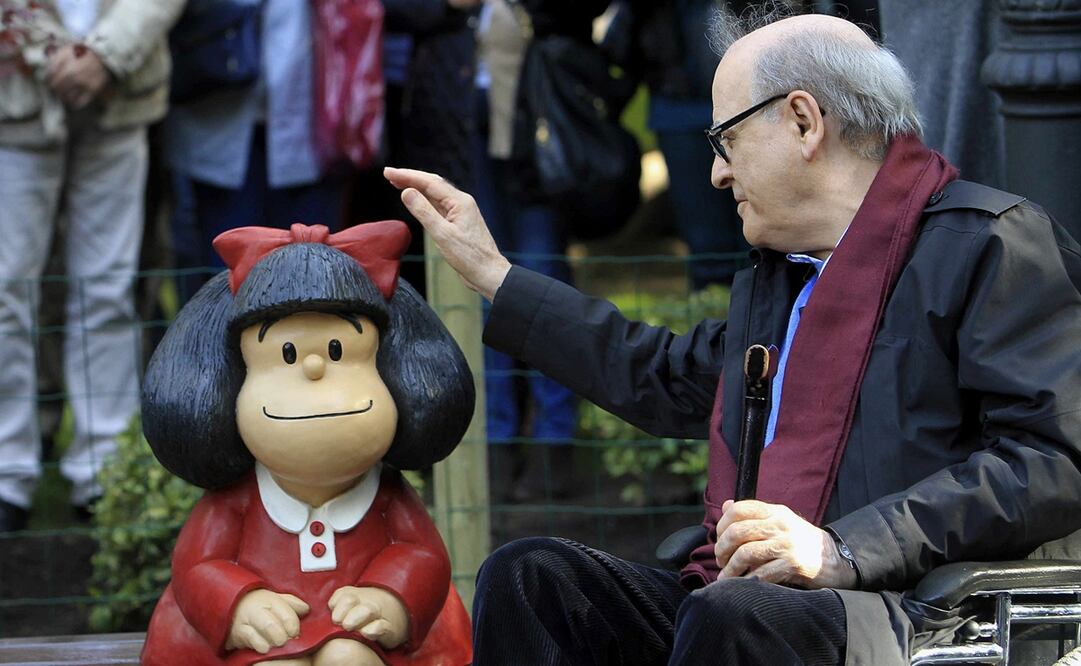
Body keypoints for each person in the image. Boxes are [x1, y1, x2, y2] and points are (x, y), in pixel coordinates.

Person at [384, 5, 1081, 664]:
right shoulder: (779, 280)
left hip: (913, 613)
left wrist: (843, 548)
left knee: (736, 614)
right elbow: (659, 373)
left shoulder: (988, 244)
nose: (716, 172)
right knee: (533, 578)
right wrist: (496, 277)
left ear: (803, 122)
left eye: (726, 139)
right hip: (748, 602)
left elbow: (1054, 460)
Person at [140, 222, 474, 665]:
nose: (315, 369)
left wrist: (389, 597)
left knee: (348, 659)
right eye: (287, 355)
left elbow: (421, 555)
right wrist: (237, 603)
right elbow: (197, 566)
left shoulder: (385, 495)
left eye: (339, 351)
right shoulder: (238, 500)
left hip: (365, 637)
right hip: (264, 640)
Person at [0, 0, 184, 532]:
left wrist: (106, 55)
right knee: (7, 292)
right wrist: (47, 47)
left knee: (108, 288)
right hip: (14, 103)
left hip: (120, 94)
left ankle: (103, 472)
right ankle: (8, 475)